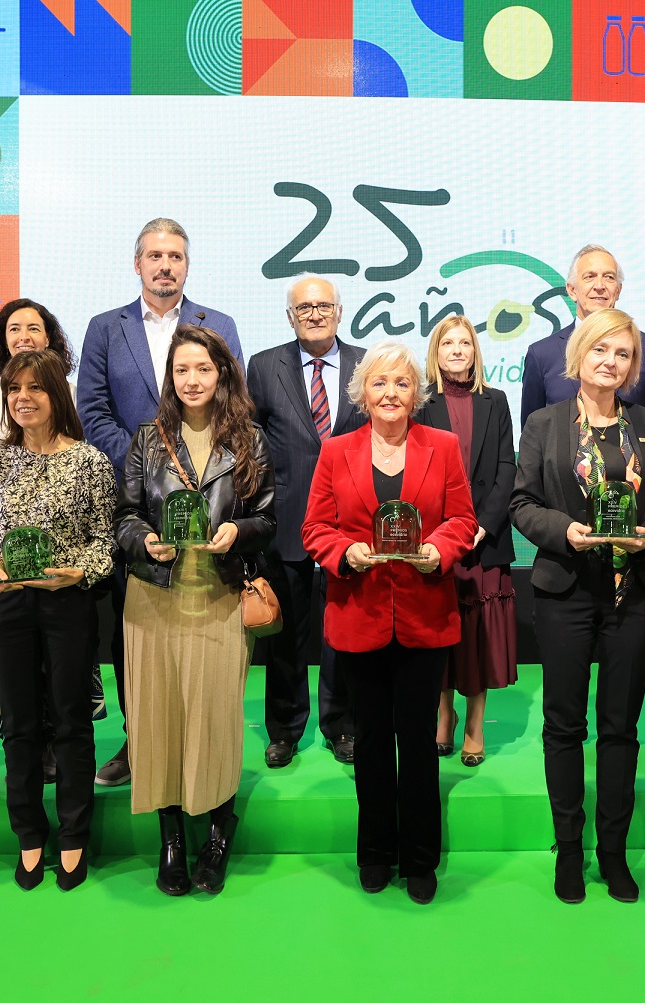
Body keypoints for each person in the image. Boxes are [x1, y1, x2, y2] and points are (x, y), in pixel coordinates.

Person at [510, 308, 645, 904]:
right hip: (565, 592)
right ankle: (569, 850)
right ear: (578, 355)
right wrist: (564, 531)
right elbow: (522, 503)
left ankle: (613, 852)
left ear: (634, 365)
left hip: (632, 595)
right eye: (600, 349)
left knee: (620, 728)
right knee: (564, 726)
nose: (611, 361)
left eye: (623, 353)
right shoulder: (544, 423)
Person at [302, 341, 477, 905]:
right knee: (372, 740)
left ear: (416, 392)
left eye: (402, 383)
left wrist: (439, 550)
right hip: (360, 616)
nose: (391, 393)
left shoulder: (443, 446)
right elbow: (315, 528)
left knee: (419, 742)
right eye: (379, 383)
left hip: (425, 616)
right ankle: (375, 851)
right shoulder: (336, 451)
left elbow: (462, 520)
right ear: (362, 393)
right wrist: (344, 552)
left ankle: (420, 858)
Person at [77, 217, 244, 786]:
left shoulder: (218, 325)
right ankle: (139, 738)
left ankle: (203, 741)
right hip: (133, 503)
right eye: (155, 255)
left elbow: (234, 405)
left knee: (203, 623)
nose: (165, 265)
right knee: (138, 625)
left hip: (210, 499)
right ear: (138, 264)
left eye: (175, 256)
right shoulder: (106, 328)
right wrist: (147, 467)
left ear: (187, 265)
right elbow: (93, 409)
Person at [114, 326, 275, 896]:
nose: (192, 380)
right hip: (154, 598)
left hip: (219, 597)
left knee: (214, 718)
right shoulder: (148, 438)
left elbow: (267, 519)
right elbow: (125, 515)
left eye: (203, 369)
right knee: (158, 720)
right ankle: (172, 840)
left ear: (222, 373)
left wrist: (239, 531)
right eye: (182, 370)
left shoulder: (249, 440)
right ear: (170, 377)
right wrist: (143, 541)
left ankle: (218, 833)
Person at [0, 350, 116, 890]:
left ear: (57, 394)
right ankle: (29, 835)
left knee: (72, 721)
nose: (22, 398)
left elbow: (105, 543)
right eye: (14, 389)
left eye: (35, 388)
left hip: (66, 603)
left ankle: (74, 835)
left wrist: (78, 572)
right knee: (20, 723)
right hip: (8, 603)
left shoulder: (91, 462)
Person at [0, 300, 96, 763]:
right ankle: (27, 764)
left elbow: (93, 518)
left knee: (67, 696)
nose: (23, 335)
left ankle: (60, 757)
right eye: (13, 328)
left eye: (33, 327)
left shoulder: (79, 428)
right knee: (16, 696)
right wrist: (2, 542)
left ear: (50, 338)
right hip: (6, 570)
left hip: (63, 577)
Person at [245, 275, 366, 768]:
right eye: (304, 308)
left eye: (323, 306)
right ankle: (285, 729)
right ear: (290, 316)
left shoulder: (366, 364)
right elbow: (250, 443)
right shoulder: (263, 366)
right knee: (287, 636)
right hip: (287, 518)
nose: (314, 314)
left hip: (352, 524)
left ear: (339, 312)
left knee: (344, 632)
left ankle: (343, 724)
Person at [418, 316, 518, 766]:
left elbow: (506, 468)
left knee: (478, 638)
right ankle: (444, 715)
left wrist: (482, 525)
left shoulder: (496, 400)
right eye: (448, 343)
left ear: (476, 351)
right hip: (436, 540)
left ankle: (475, 726)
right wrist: (446, 532)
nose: (457, 350)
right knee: (438, 634)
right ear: (435, 352)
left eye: (465, 343)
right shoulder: (421, 402)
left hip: (484, 540)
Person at [519, 244, 645, 430]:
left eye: (609, 277)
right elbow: (532, 430)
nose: (599, 286)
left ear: (618, 290)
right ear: (572, 290)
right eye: (589, 277)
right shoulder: (541, 354)